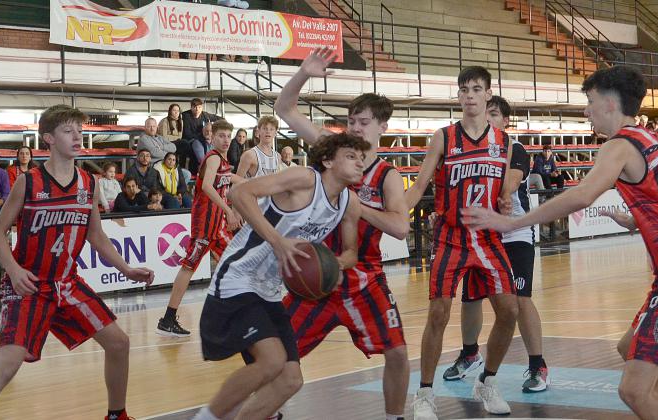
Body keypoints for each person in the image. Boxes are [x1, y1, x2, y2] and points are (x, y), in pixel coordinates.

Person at [461, 65, 658, 420]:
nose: (586, 110)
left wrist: (512, 221)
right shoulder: (653, 140)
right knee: (628, 349)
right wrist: (638, 221)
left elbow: (583, 194)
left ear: (610, 103)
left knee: (632, 390)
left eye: (590, 101)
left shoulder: (620, 145)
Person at [0, 104, 154, 420]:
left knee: (119, 344)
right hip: (30, 286)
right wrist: (13, 271)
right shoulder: (28, 182)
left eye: (80, 131)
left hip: (67, 283)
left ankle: (116, 415)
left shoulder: (87, 183)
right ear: (49, 139)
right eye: (68, 131)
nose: (77, 137)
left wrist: (125, 268)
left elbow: (95, 235)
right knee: (7, 365)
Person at [274, 47, 411, 420]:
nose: (354, 128)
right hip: (317, 277)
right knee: (272, 354)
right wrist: (303, 72)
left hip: (365, 279)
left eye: (363, 122)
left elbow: (401, 228)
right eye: (351, 121)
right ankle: (267, 410)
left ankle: (394, 417)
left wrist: (360, 207)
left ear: (383, 127)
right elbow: (284, 109)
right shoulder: (330, 149)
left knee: (397, 353)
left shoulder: (388, 176)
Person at [191, 132, 365, 420]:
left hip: (270, 290)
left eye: (361, 158)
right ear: (327, 161)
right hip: (239, 276)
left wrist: (334, 266)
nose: (359, 163)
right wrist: (277, 240)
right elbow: (239, 193)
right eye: (350, 156)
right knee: (271, 362)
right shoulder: (304, 179)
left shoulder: (350, 203)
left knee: (290, 380)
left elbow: (351, 253)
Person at [404, 66, 518, 419]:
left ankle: (487, 381)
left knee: (510, 311)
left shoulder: (505, 141)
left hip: (488, 237)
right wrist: (395, 213)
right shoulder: (442, 137)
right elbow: (420, 186)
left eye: (476, 89)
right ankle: (424, 393)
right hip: (451, 237)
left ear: (488, 95)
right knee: (438, 313)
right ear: (458, 96)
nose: (469, 95)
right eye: (464, 89)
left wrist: (505, 201)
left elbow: (504, 191)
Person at [440, 96, 549, 393]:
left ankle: (538, 365)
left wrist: (502, 195)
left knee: (520, 298)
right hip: (483, 235)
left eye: (495, 114)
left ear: (505, 121)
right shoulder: (471, 149)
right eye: (486, 114)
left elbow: (513, 179)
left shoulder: (514, 147)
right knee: (470, 297)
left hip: (514, 232)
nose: (488, 119)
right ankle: (470, 353)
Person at [157, 119, 240, 337]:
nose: (226, 140)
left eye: (228, 136)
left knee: (236, 264)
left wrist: (264, 184)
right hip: (204, 225)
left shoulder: (223, 161)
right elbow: (206, 186)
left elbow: (232, 178)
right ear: (212, 138)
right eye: (221, 136)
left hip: (218, 227)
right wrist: (229, 210)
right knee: (188, 267)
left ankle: (231, 314)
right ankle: (168, 319)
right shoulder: (212, 158)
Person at [180, 98, 222, 173]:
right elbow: (187, 134)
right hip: (190, 140)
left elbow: (218, 118)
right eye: (195, 107)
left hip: (203, 139)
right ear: (191, 107)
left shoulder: (205, 115)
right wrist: (203, 134)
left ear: (202, 108)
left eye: (199, 107)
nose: (197, 109)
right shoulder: (185, 116)